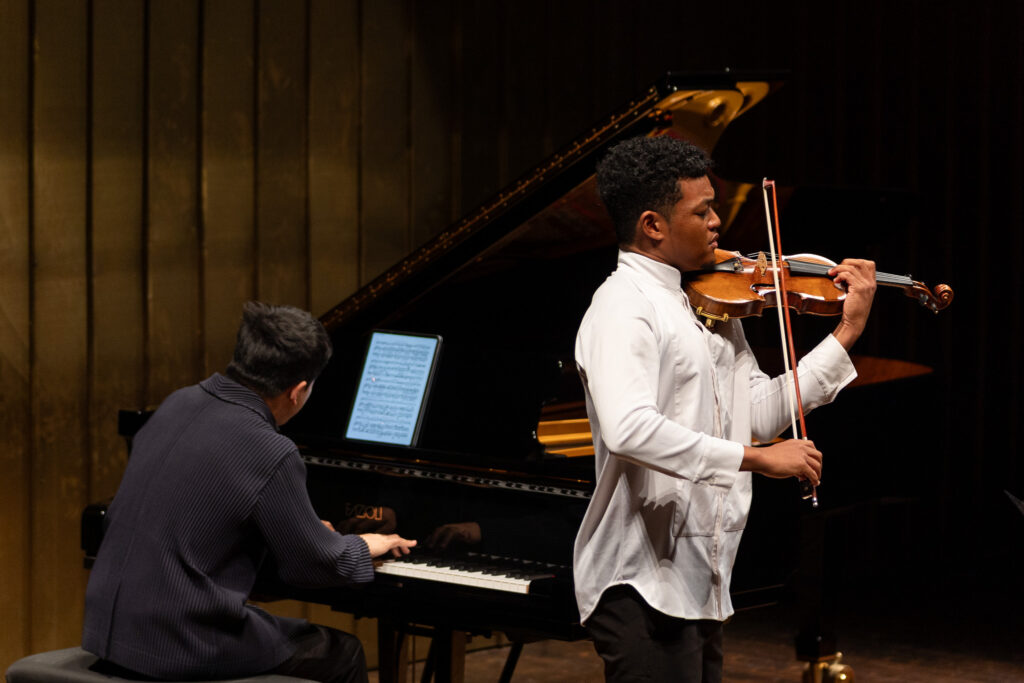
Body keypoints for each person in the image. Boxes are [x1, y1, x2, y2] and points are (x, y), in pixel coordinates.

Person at [573, 136, 876, 682]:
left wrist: (846, 332)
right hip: (639, 581)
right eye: (702, 211)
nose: (717, 222)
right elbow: (629, 430)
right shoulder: (622, 307)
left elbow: (753, 414)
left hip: (699, 579)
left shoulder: (708, 302)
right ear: (652, 225)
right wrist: (758, 459)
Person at [82, 301, 416, 683]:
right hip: (180, 642)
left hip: (109, 628)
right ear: (298, 392)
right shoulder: (269, 449)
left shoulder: (178, 402)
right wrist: (362, 544)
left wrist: (302, 532)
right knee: (344, 653)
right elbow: (313, 565)